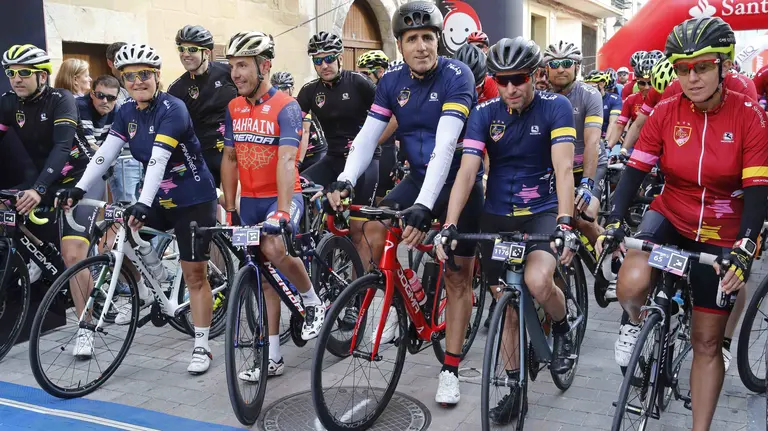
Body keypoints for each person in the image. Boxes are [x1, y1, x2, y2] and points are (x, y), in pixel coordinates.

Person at [596, 17, 768, 430]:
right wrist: (616, 220)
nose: (692, 77)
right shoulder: (667, 111)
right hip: (671, 212)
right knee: (631, 283)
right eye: (682, 69)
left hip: (724, 226)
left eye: (703, 66)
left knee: (707, 341)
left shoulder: (749, 117)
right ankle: (639, 325)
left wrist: (746, 247)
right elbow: (636, 170)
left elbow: (759, 191)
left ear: (723, 65)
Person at [326, 1, 483, 406]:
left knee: (457, 276)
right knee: (376, 227)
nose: (421, 46)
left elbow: (448, 144)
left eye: (428, 37)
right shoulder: (393, 81)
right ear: (400, 44)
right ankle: (396, 298)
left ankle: (450, 367)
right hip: (417, 176)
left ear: (438, 41)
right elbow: (367, 136)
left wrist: (426, 206)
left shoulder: (457, 74)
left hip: (456, 183)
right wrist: (345, 179)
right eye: (412, 39)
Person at [436, 36, 578, 423]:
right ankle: (514, 388)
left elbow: (564, 169)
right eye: (502, 80)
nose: (511, 88)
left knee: (536, 281)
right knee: (506, 305)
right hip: (497, 217)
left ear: (534, 76)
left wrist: (565, 222)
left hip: (541, 212)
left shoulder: (556, 107)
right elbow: (467, 171)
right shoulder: (483, 113)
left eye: (518, 78)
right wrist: (449, 224)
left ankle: (563, 325)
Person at [57, 43, 220, 374]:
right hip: (160, 195)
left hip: (194, 198)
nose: (137, 81)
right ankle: (152, 282)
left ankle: (202, 344)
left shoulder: (173, 109)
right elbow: (105, 153)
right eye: (129, 76)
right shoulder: (127, 111)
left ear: (157, 76)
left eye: (144, 74)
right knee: (121, 230)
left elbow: (159, 159)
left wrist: (143, 203)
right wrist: (78, 188)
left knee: (194, 275)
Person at [220, 32, 326, 381]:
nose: (235, 73)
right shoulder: (234, 107)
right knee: (264, 279)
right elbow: (230, 157)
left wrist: (282, 209)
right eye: (232, 66)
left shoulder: (286, 106)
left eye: (243, 66)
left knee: (275, 246)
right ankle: (273, 357)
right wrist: (229, 203)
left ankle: (312, 301)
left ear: (264, 66)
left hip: (283, 194)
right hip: (248, 200)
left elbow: (285, 160)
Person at [296, 32, 386, 276]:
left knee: (359, 230)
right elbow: (291, 124)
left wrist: (371, 142)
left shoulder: (358, 82)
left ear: (340, 58)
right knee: (298, 185)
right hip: (334, 158)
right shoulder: (309, 91)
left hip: (365, 161)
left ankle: (358, 293)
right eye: (318, 60)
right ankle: (319, 236)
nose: (324, 65)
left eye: (329, 58)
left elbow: (392, 116)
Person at [544, 41, 604, 245]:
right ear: (546, 69)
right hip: (560, 167)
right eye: (554, 64)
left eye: (567, 63)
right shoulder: (541, 97)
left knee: (584, 217)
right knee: (553, 219)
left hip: (588, 166)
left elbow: (592, 142)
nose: (560, 69)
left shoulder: (590, 95)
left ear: (577, 67)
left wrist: (587, 183)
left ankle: (607, 257)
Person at [168, 25, 238, 188]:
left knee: (236, 205)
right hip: (201, 159)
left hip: (235, 151)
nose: (185, 54)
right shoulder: (176, 89)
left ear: (206, 52)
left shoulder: (228, 72)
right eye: (181, 49)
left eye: (192, 49)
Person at [357, 50, 400, 201]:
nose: (362, 78)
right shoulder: (366, 90)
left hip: (385, 149)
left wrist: (374, 142)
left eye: (366, 74)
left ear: (380, 72)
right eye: (359, 74)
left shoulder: (388, 89)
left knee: (379, 199)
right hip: (370, 148)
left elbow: (394, 120)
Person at [105, 41, 142, 204]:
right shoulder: (107, 90)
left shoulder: (135, 88)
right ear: (111, 63)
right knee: (127, 210)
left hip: (143, 157)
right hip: (123, 159)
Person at [271, 71, 327, 173]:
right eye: (276, 88)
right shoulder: (274, 107)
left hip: (315, 153)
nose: (280, 91)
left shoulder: (298, 104)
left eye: (284, 88)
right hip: (298, 154)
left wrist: (299, 162)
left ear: (292, 89)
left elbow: (304, 132)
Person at [606, 57, 655, 154]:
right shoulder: (631, 99)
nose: (646, 87)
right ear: (637, 82)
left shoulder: (664, 99)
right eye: (642, 83)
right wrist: (608, 148)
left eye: (650, 83)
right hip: (635, 145)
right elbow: (619, 125)